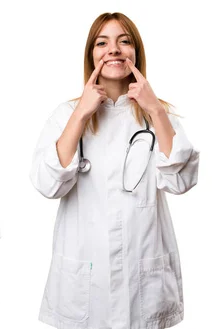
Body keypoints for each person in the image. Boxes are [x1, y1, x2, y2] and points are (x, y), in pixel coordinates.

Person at [30, 12, 199, 329]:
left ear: (136, 52)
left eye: (124, 41)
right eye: (102, 42)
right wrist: (81, 113)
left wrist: (155, 109)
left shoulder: (158, 114)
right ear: (91, 54)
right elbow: (47, 183)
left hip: (142, 275)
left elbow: (181, 180)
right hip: (85, 279)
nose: (114, 50)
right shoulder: (66, 113)